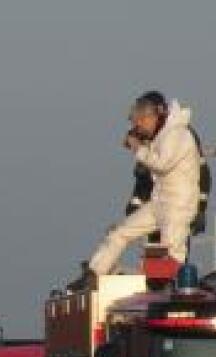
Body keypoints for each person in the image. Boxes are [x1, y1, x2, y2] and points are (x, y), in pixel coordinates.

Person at [69, 91, 205, 290]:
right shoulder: (162, 135)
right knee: (120, 232)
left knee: (173, 253)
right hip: (160, 202)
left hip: (178, 205)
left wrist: (137, 148)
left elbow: (162, 164)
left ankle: (175, 289)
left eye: (142, 119)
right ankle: (94, 272)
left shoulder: (178, 133)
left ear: (157, 115)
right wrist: (141, 142)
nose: (139, 125)